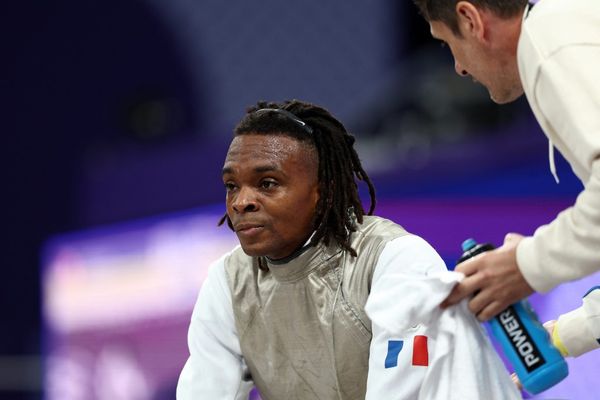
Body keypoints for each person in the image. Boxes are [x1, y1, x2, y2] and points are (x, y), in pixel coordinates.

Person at [176, 99, 519, 399]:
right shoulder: (228, 282)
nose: (241, 202)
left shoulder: (394, 259)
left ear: (323, 191)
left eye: (268, 183)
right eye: (232, 186)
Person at [411, 0, 600, 355]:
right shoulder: (570, 27)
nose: (458, 67)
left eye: (447, 42)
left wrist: (524, 265)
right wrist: (561, 338)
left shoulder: (551, 41)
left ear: (470, 20)